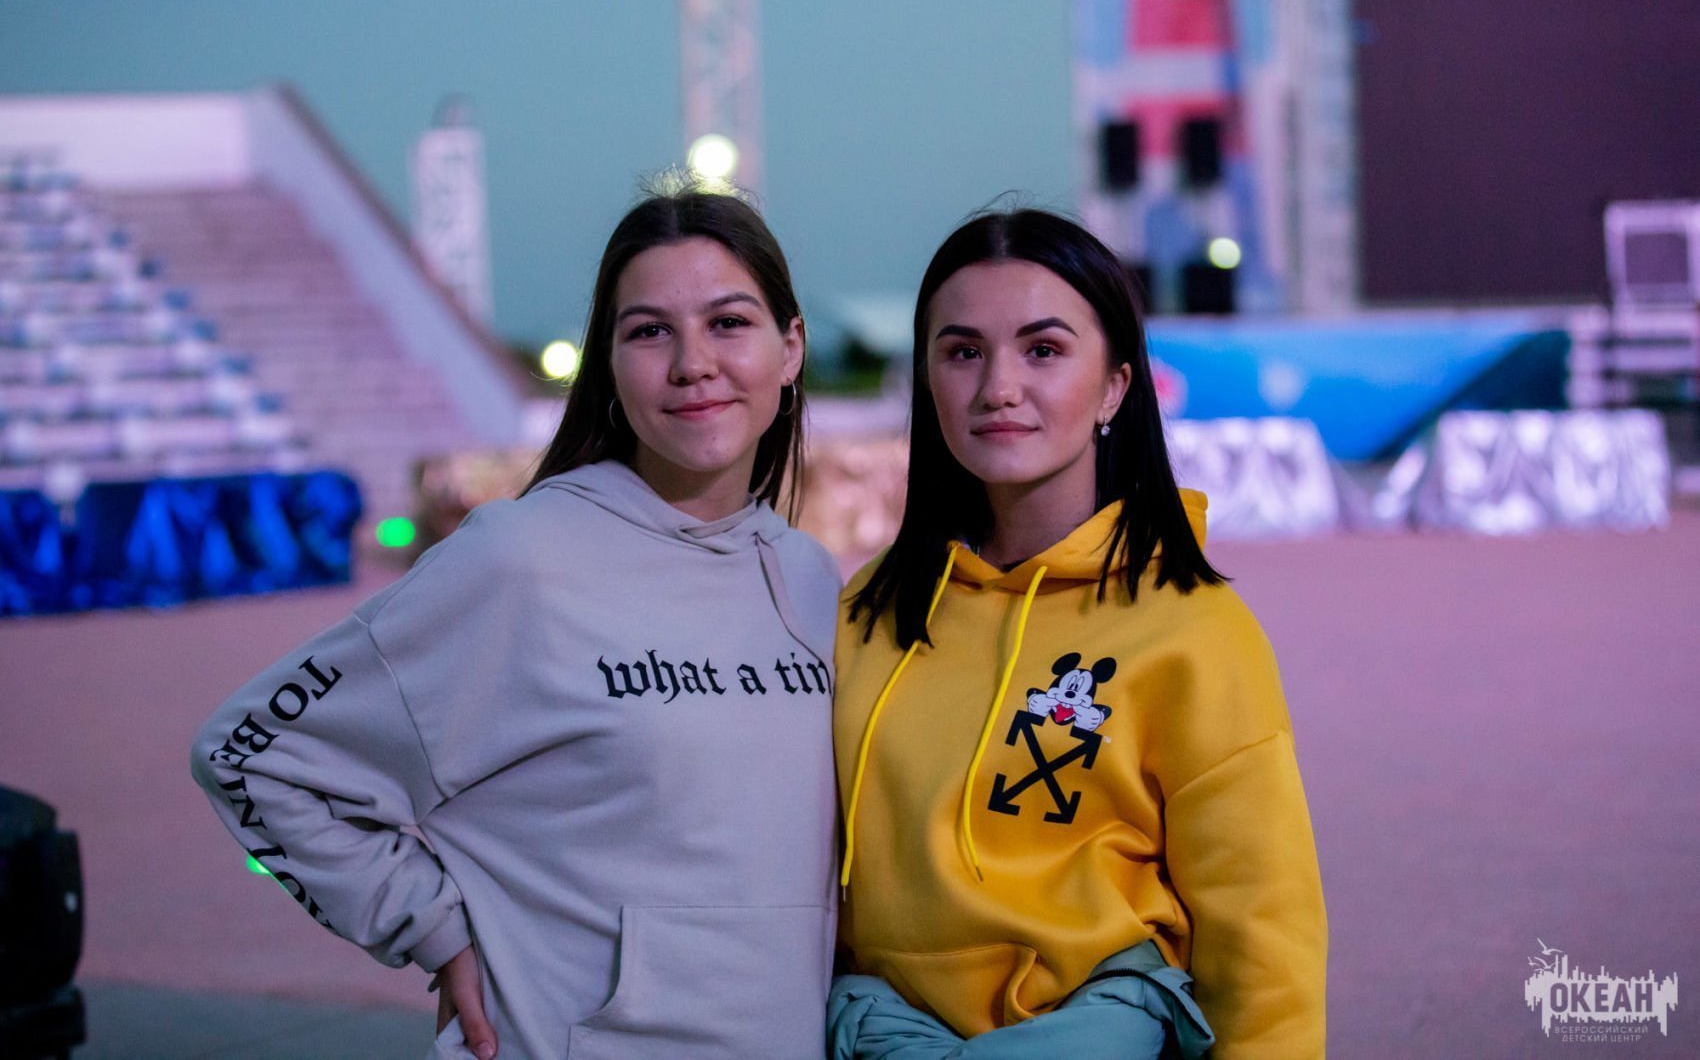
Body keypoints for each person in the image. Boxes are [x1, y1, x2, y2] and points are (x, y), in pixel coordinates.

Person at [191, 188, 841, 1060]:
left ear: (790, 347)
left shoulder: (809, 576)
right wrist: (428, 925)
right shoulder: (519, 559)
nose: (693, 363)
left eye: (729, 323)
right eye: (649, 331)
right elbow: (251, 751)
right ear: (609, 364)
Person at [829, 209, 1327, 1058]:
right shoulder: (868, 610)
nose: (999, 387)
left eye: (1044, 350)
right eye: (962, 352)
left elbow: (1263, 926)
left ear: (1114, 387)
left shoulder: (1194, 629)